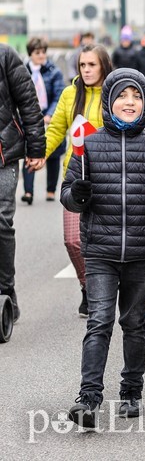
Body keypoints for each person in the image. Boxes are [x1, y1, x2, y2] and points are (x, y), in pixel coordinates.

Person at [62, 68, 145, 428]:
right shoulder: (89, 145)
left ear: (144, 103)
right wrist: (77, 195)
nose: (129, 102)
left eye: (136, 96)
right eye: (122, 95)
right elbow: (68, 193)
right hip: (99, 250)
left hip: (141, 252)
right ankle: (88, 398)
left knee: (134, 322)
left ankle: (132, 390)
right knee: (99, 322)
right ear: (108, 101)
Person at [46, 44, 113, 317]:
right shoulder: (69, 94)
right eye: (82, 65)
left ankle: (106, 289)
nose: (86, 70)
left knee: (104, 242)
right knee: (73, 241)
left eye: (92, 65)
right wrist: (39, 154)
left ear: (103, 66)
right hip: (75, 178)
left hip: (109, 178)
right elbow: (56, 130)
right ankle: (89, 287)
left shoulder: (115, 93)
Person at [0, 44, 45, 323]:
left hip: (3, 155)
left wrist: (36, 148)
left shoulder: (5, 56)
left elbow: (28, 101)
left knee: (1, 220)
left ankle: (6, 289)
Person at [20, 37, 65, 204]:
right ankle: (28, 192)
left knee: (53, 153)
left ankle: (51, 190)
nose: (41, 55)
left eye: (43, 52)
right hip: (29, 116)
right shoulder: (22, 71)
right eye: (37, 52)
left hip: (50, 116)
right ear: (30, 54)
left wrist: (50, 115)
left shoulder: (54, 72)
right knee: (29, 151)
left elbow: (59, 95)